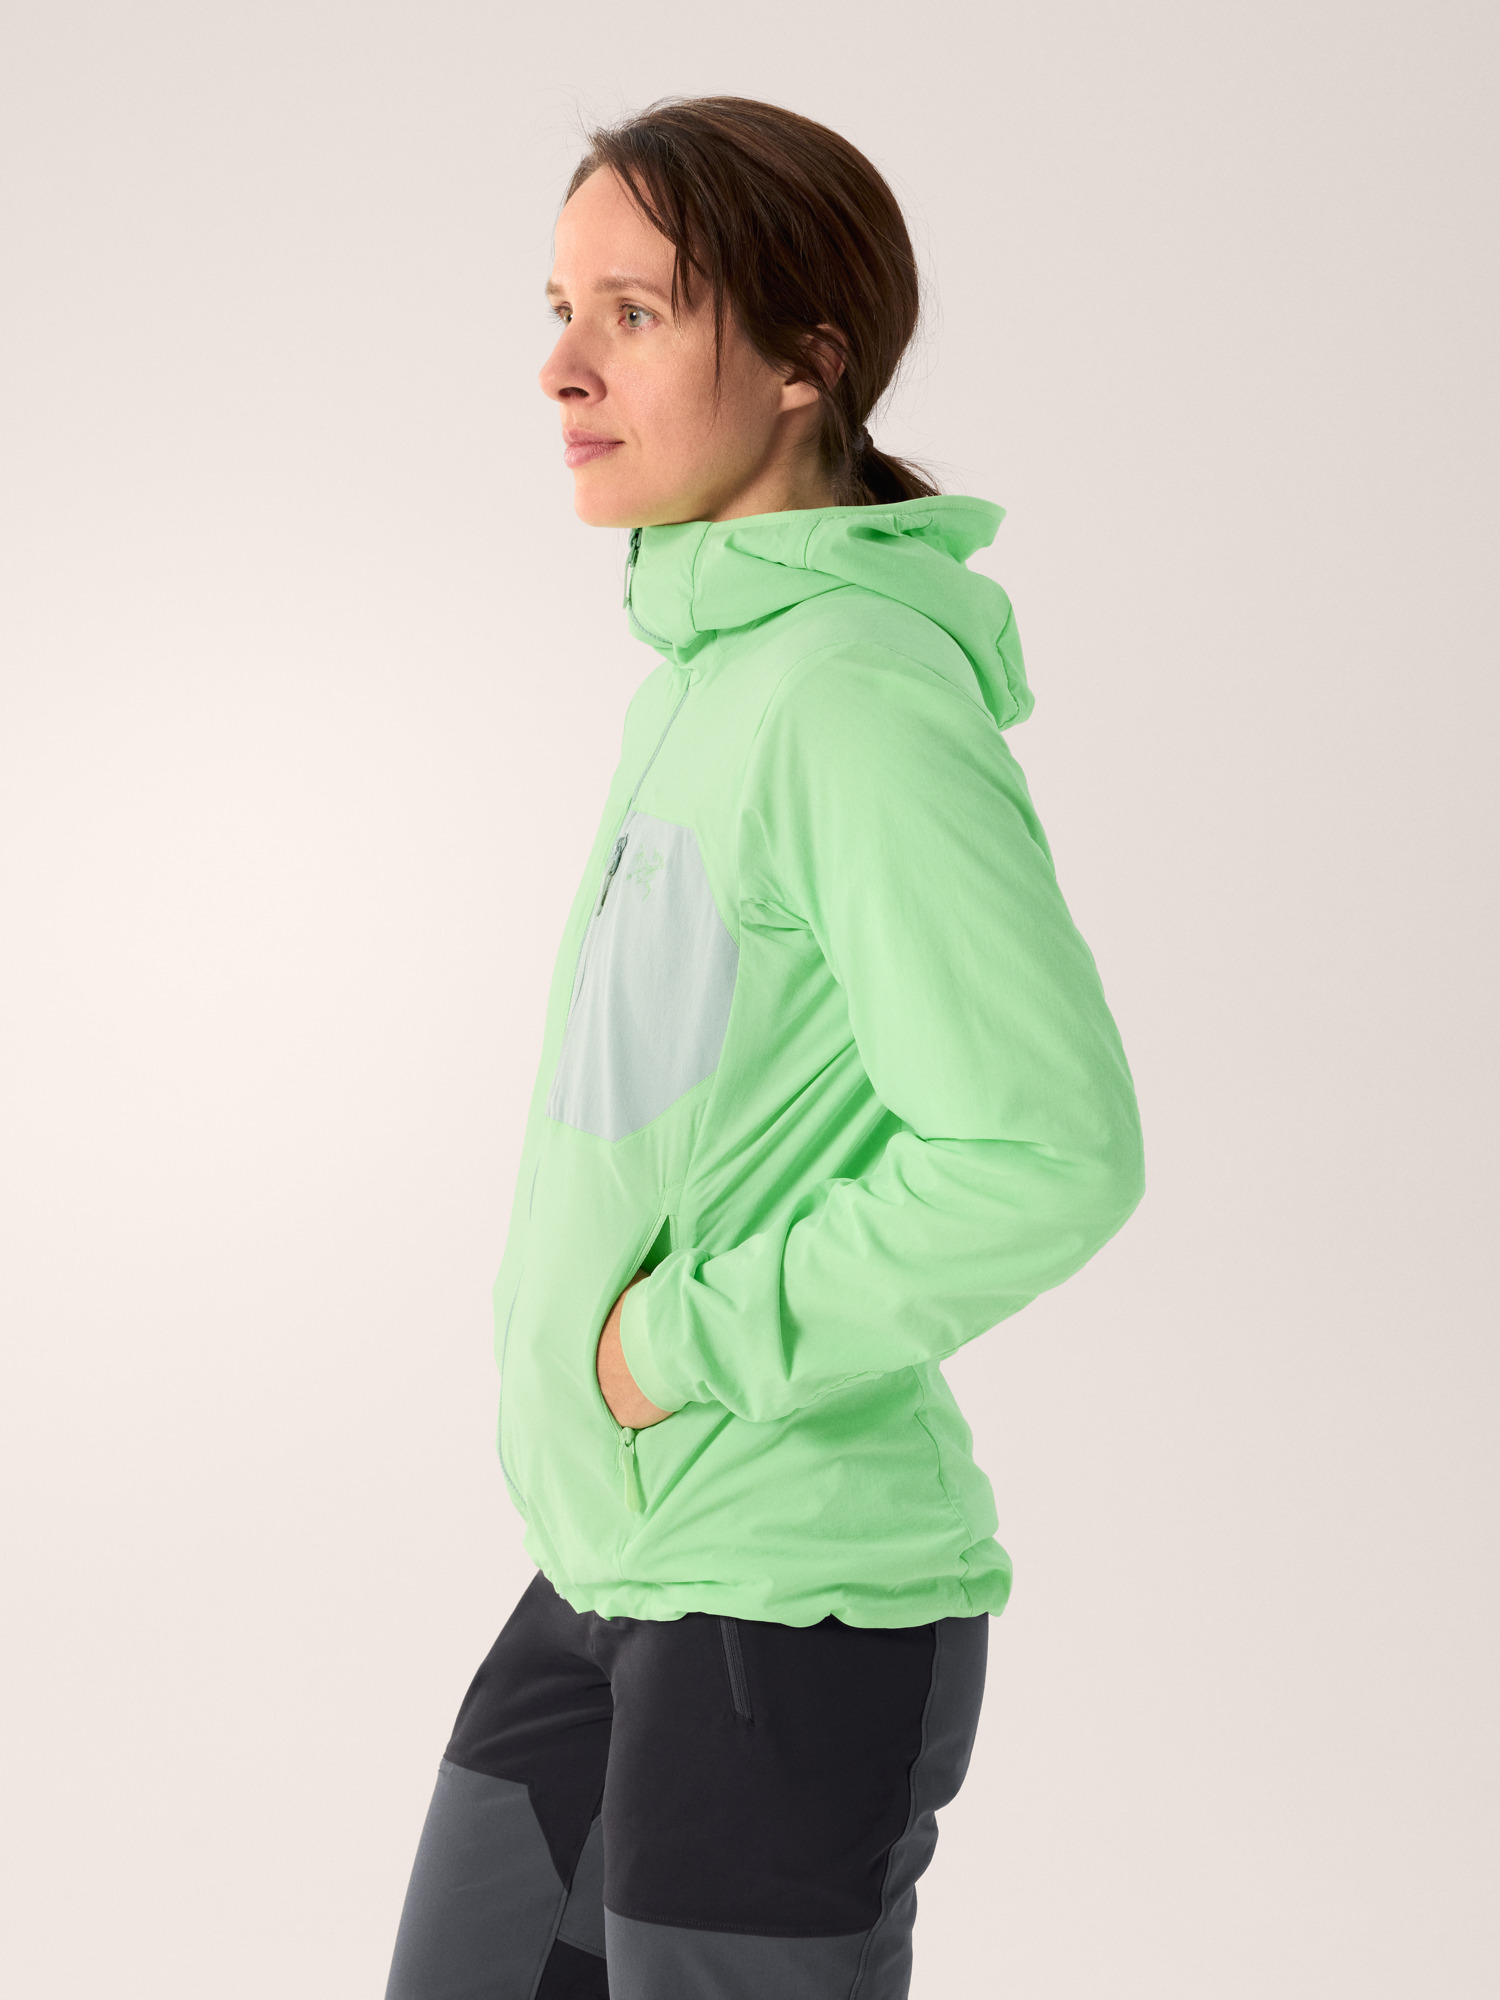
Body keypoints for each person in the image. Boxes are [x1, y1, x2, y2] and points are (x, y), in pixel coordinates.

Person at [384, 95, 1144, 2000]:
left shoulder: (851, 699)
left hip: (790, 1599)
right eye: (560, 309)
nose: (562, 368)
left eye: (634, 313)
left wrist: (673, 1349)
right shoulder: (714, 678)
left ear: (810, 361)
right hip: (620, 1565)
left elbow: (1045, 1150)